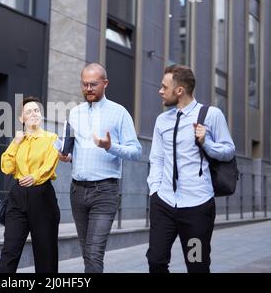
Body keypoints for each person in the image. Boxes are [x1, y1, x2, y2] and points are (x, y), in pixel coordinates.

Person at [146, 64, 235, 273]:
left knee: (196, 265)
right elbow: (157, 158)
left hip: (197, 206)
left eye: (164, 87)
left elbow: (229, 150)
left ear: (179, 91)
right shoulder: (162, 120)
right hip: (164, 204)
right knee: (156, 261)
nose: (160, 91)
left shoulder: (211, 115)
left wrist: (207, 143)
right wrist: (155, 190)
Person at [59, 63, 142, 273]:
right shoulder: (75, 113)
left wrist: (110, 146)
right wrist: (63, 154)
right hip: (77, 191)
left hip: (105, 192)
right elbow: (65, 146)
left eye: (93, 84)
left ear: (105, 83)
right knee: (87, 252)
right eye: (84, 84)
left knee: (95, 253)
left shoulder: (119, 113)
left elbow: (136, 151)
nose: (88, 89)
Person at [0, 96, 60, 273]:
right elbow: (7, 167)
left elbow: (49, 165)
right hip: (17, 198)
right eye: (28, 111)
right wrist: (15, 142)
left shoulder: (51, 138)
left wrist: (35, 177)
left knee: (45, 255)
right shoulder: (17, 141)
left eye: (37, 110)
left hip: (42, 195)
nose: (34, 114)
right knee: (9, 251)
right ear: (21, 118)